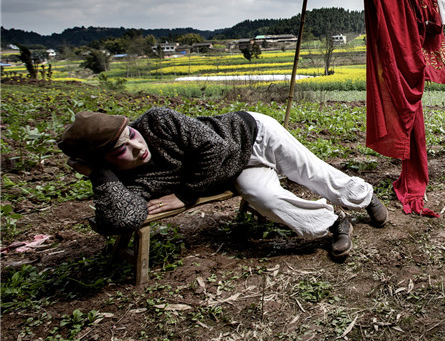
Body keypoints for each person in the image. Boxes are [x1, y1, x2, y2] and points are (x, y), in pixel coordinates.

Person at [58, 107, 388, 257]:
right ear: (103, 161)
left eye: (131, 135)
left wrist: (185, 194)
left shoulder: (157, 122)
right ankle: (335, 224)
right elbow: (121, 217)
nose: (137, 147)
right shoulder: (129, 178)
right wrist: (99, 175)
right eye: (121, 151)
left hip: (253, 135)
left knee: (310, 171)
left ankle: (363, 197)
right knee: (266, 199)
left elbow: (219, 147)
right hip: (234, 171)